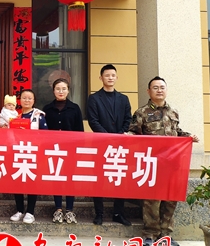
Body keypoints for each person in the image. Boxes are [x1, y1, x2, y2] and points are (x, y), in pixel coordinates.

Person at [127, 76, 199, 246]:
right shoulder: (142, 112)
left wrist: (188, 137)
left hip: (172, 163)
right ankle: (149, 234)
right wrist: (129, 136)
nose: (159, 90)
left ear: (166, 90)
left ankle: (166, 234)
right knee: (152, 200)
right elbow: (134, 132)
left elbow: (177, 131)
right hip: (152, 163)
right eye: (155, 87)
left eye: (162, 87)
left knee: (170, 199)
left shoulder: (173, 112)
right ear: (148, 91)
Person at [86, 64, 133, 226]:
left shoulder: (123, 99)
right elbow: (93, 121)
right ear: (101, 78)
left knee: (120, 178)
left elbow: (128, 120)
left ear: (117, 77)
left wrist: (119, 135)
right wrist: (108, 137)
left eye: (113, 75)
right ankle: (99, 213)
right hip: (100, 144)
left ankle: (118, 213)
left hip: (120, 145)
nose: (110, 78)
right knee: (99, 178)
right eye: (107, 75)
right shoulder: (94, 98)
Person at [42, 78, 84, 224]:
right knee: (57, 178)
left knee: (70, 179)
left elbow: (80, 131)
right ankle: (58, 209)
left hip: (71, 149)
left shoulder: (75, 108)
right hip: (54, 150)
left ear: (68, 90)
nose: (61, 91)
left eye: (64, 89)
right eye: (58, 89)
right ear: (53, 91)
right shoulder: (47, 109)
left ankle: (70, 210)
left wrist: (79, 149)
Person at [10, 89, 47, 224]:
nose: (27, 100)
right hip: (17, 152)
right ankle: (20, 210)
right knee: (17, 181)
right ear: (19, 100)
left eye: (29, 98)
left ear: (34, 101)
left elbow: (45, 135)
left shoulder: (38, 116)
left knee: (32, 182)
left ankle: (30, 212)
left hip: (33, 153)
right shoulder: (15, 115)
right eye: (24, 98)